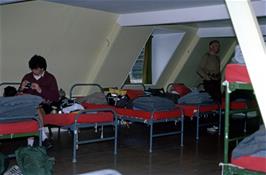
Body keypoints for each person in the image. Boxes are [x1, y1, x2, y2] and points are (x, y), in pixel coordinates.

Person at [19, 55, 60, 149]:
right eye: (32, 69)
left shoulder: (50, 78)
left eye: (36, 70)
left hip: (45, 105)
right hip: (28, 104)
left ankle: (30, 144)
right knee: (31, 109)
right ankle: (43, 138)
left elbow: (55, 97)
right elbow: (18, 96)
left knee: (35, 109)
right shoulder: (27, 77)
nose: (34, 72)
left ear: (42, 68)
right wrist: (21, 88)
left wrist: (40, 90)